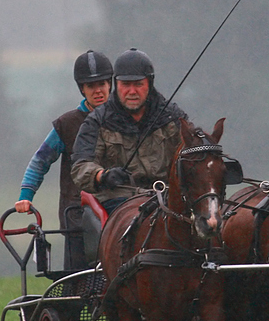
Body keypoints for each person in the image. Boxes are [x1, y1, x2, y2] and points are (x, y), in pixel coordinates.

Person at [14, 49, 113, 270]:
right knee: (76, 283)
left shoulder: (124, 119)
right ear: (82, 89)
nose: (98, 91)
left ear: (110, 84)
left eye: (102, 84)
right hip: (77, 218)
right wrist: (25, 196)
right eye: (91, 86)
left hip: (117, 212)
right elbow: (40, 161)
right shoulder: (67, 124)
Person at [71, 48, 188, 214]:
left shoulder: (172, 117)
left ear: (150, 84)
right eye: (126, 85)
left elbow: (192, 153)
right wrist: (102, 175)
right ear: (116, 85)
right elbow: (80, 166)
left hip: (168, 198)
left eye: (138, 84)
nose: (132, 91)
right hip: (119, 201)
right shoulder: (97, 121)